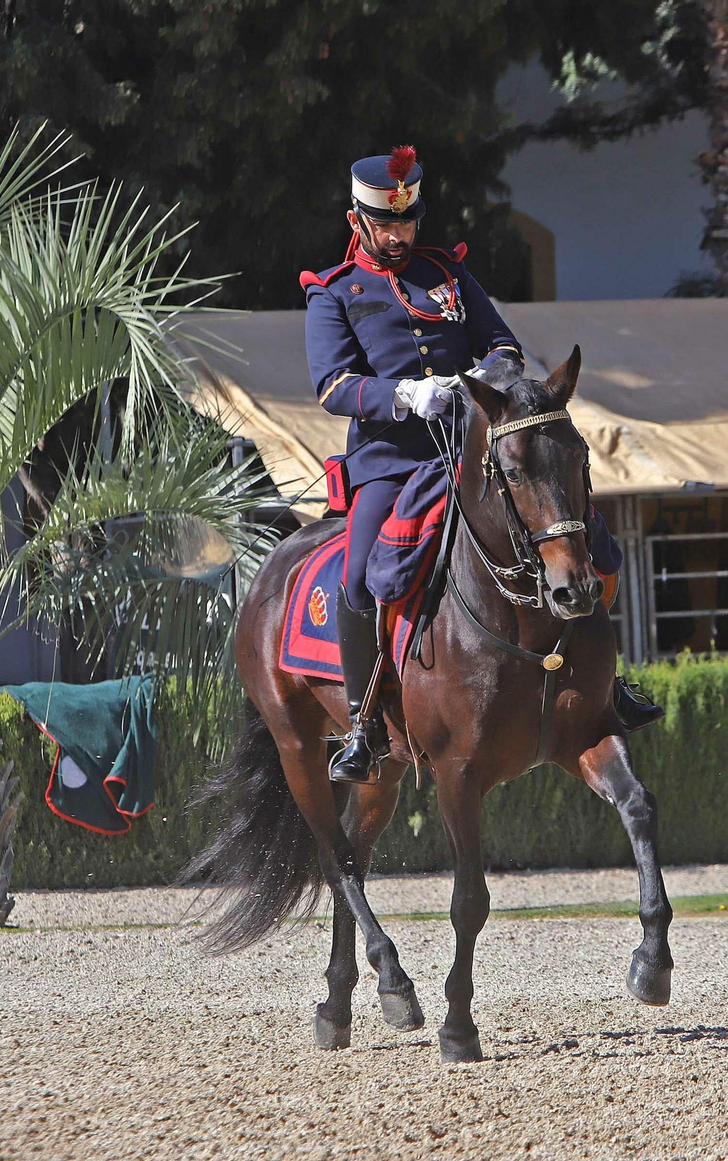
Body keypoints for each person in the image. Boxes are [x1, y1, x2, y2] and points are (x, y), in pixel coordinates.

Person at [302, 146, 662, 784]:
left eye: (407, 224)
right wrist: (406, 396)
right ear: (357, 222)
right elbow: (333, 387)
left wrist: (482, 377)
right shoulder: (335, 293)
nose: (399, 235)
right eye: (386, 225)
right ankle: (361, 726)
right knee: (357, 578)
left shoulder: (448, 272)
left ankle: (609, 685)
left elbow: (502, 343)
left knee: (581, 534)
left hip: (472, 448)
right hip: (391, 461)